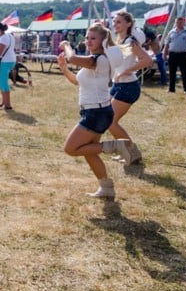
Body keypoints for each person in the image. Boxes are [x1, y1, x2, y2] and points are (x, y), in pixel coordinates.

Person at [56, 24, 132, 200]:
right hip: (95, 112)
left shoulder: (99, 60)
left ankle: (115, 146)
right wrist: (64, 69)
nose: (88, 41)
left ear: (103, 41)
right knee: (89, 152)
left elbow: (73, 57)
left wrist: (66, 44)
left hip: (96, 113)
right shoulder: (93, 60)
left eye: (93, 38)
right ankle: (106, 188)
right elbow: (77, 81)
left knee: (71, 148)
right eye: (87, 38)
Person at [106, 12, 155, 165]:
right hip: (117, 84)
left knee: (110, 122)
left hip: (128, 86)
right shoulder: (117, 40)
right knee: (106, 119)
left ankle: (132, 153)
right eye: (114, 22)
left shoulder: (130, 41)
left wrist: (128, 71)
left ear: (128, 24)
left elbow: (147, 60)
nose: (115, 24)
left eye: (119, 22)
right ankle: (125, 152)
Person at [164, 16, 186, 94]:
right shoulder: (171, 32)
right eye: (177, 22)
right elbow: (167, 43)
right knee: (172, 72)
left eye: (180, 22)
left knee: (185, 72)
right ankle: (171, 89)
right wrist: (164, 53)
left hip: (183, 54)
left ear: (183, 22)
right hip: (172, 54)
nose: (178, 24)